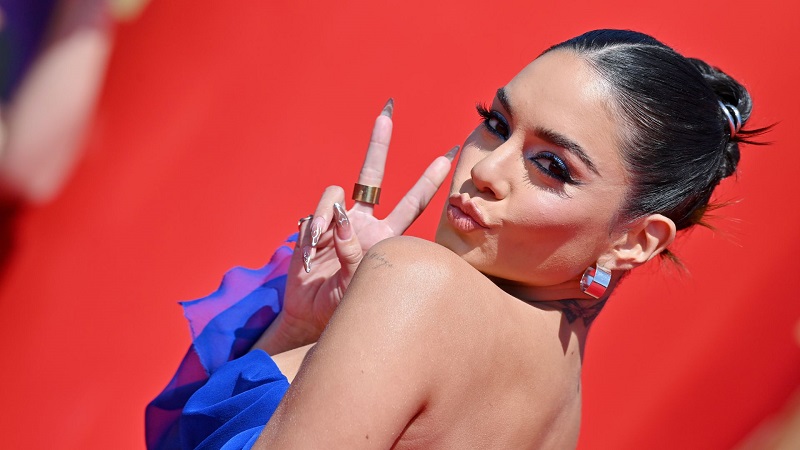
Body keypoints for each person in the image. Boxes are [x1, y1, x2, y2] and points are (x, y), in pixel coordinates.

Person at [147, 29, 767, 449]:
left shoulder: (419, 284)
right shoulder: (561, 413)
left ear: (634, 241)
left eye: (552, 166)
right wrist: (304, 328)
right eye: (496, 124)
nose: (486, 168)